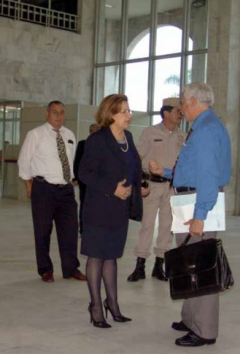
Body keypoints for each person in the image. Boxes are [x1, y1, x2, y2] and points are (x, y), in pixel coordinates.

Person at [150, 83, 231, 347]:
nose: (181, 109)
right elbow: (194, 168)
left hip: (198, 202)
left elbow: (207, 176)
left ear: (194, 100)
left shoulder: (206, 129)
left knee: (200, 266)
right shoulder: (205, 126)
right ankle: (190, 317)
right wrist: (164, 173)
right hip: (191, 197)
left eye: (183, 103)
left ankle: (204, 330)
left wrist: (200, 215)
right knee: (189, 261)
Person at [79, 94, 148, 328]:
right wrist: (112, 189)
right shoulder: (97, 140)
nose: (129, 115)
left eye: (129, 110)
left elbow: (134, 167)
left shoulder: (128, 137)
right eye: (125, 112)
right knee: (96, 256)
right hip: (99, 207)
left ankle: (113, 304)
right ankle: (96, 306)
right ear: (111, 114)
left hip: (120, 208)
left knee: (112, 256)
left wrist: (141, 186)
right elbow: (85, 173)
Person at [17, 101, 86, 283]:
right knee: (42, 231)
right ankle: (45, 269)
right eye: (55, 112)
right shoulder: (36, 134)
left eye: (62, 112)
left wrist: (72, 180)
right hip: (43, 189)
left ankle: (71, 268)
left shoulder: (69, 135)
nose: (58, 116)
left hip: (66, 190)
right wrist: (28, 183)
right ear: (47, 114)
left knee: (70, 231)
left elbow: (70, 162)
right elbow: (24, 161)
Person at [127, 98, 186, 282]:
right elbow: (137, 158)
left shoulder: (182, 136)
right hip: (152, 185)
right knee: (147, 225)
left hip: (172, 187)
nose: (180, 113)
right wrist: (141, 181)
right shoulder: (150, 132)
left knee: (167, 227)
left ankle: (159, 265)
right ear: (166, 112)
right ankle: (140, 265)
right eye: (177, 110)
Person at [73, 123, 101, 235]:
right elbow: (77, 162)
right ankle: (83, 229)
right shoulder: (83, 144)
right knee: (85, 204)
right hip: (85, 181)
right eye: (94, 132)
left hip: (99, 181)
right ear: (90, 132)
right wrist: (75, 177)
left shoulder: (104, 145)